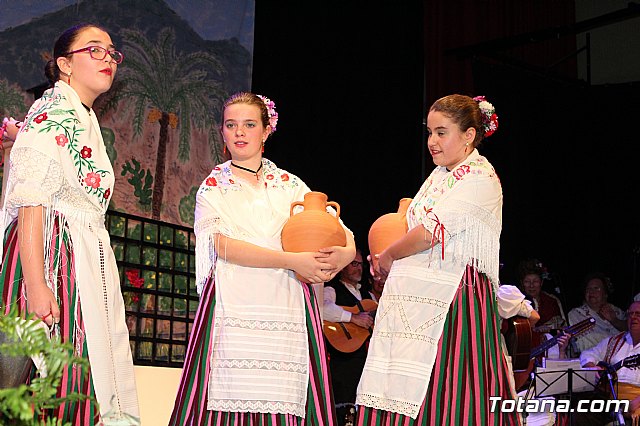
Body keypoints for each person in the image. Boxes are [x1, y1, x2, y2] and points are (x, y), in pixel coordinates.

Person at [169, 92, 356, 425]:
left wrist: (343, 254)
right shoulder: (213, 187)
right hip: (232, 301)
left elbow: (342, 233)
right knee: (228, 392)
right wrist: (291, 261)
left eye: (249, 124)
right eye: (231, 125)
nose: (240, 132)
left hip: (287, 303)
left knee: (287, 393)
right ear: (223, 133)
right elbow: (222, 246)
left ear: (266, 130)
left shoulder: (290, 185)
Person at [0, 23, 140, 424]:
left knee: (83, 368)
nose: (107, 59)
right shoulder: (51, 111)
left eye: (112, 53)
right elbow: (31, 199)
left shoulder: (82, 115)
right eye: (94, 50)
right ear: (64, 64)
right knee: (53, 372)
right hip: (52, 254)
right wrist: (36, 284)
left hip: (81, 253)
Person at [355, 94, 519, 425]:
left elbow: (432, 232)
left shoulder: (480, 179)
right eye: (429, 132)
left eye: (441, 132)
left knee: (450, 387)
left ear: (469, 135)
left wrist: (388, 255)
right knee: (403, 382)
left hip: (455, 299)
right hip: (417, 296)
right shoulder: (441, 175)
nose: (432, 141)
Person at [322, 248, 374, 425]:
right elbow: (323, 309)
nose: (359, 268)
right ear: (343, 267)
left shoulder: (370, 296)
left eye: (361, 264)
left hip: (366, 363)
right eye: (354, 264)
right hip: (343, 362)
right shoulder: (332, 289)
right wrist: (353, 318)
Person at [579, 301, 640, 424]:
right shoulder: (615, 340)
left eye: (638, 314)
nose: (633, 317)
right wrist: (593, 367)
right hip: (610, 397)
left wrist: (637, 402)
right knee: (580, 413)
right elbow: (588, 354)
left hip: (636, 398)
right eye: (630, 314)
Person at [568, 271, 626, 355]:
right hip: (591, 361)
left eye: (596, 288)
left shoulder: (616, 311)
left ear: (605, 294)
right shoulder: (576, 314)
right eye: (588, 289)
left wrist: (614, 321)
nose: (591, 292)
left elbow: (631, 333)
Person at [518, 258, 567, 330]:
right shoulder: (517, 302)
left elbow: (562, 328)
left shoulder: (551, 300)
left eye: (535, 281)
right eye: (527, 281)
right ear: (522, 283)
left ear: (541, 283)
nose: (531, 285)